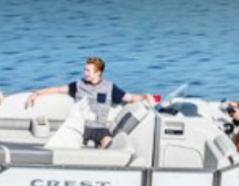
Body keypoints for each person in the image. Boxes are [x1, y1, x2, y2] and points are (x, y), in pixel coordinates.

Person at [25, 57, 155, 149]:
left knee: (109, 143)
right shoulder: (78, 85)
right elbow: (58, 89)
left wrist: (144, 96)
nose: (85, 73)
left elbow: (130, 97)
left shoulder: (110, 87)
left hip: (100, 128)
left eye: (88, 70)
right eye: (85, 70)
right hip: (80, 126)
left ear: (98, 72)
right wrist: (37, 93)